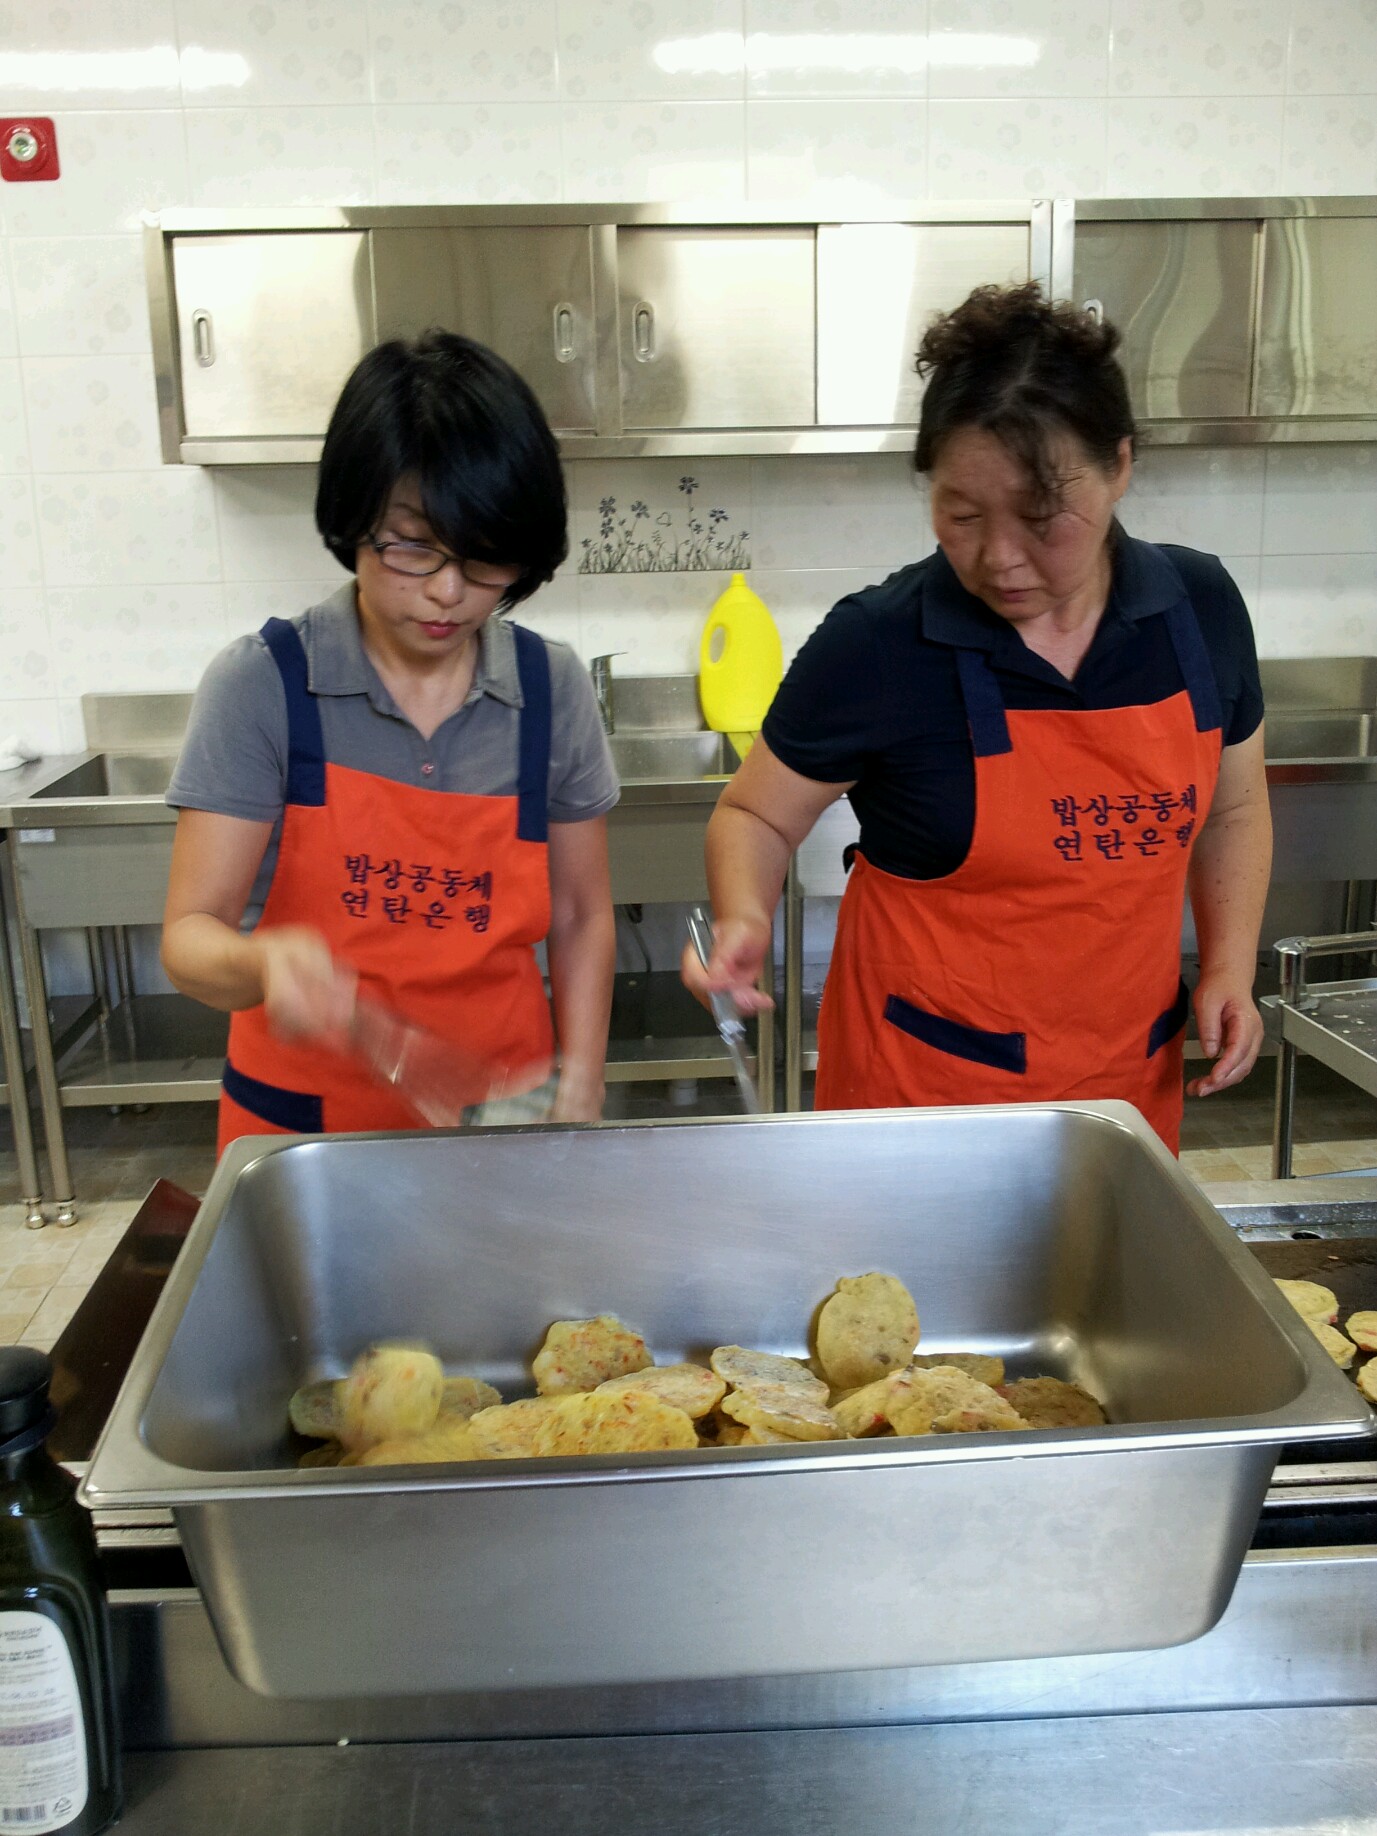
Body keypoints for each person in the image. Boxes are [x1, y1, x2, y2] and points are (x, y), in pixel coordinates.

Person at [684, 283, 1270, 1153]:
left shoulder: (1198, 608)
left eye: (1039, 517)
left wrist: (1227, 965)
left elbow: (1232, 808)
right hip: (923, 1098)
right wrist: (743, 917)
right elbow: (754, 814)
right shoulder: (880, 641)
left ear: (1118, 466)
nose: (999, 559)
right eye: (961, 515)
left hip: (1120, 1092)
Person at [162, 330, 618, 1151]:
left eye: (485, 559)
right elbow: (189, 937)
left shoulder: (551, 689)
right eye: (412, 546)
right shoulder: (264, 684)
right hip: (304, 1132)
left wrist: (581, 1074)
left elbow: (582, 914)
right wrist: (262, 964)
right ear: (354, 521)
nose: (449, 591)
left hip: (502, 1119)